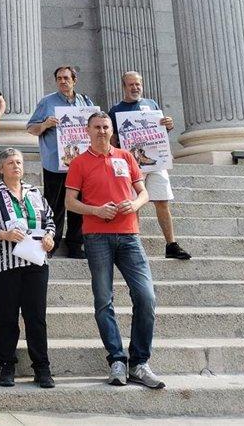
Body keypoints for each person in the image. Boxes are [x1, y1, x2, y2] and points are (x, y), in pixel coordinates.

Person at [64, 111, 165, 389]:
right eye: (96, 127)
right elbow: (70, 202)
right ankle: (117, 359)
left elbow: (143, 192)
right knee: (103, 300)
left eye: (106, 127)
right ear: (88, 131)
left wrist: (135, 204)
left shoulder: (126, 156)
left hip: (130, 235)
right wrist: (96, 210)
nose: (102, 131)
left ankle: (140, 362)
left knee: (146, 297)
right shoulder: (79, 163)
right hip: (96, 237)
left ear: (112, 130)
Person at [0, 148, 56, 388]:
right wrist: (4, 234)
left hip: (35, 264)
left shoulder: (34, 192)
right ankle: (7, 366)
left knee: (36, 318)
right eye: (10, 163)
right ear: (1, 168)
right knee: (7, 319)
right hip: (4, 267)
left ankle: (42, 368)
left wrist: (50, 236)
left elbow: (49, 219)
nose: (16, 166)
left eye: (19, 162)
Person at [108, 71, 191, 261]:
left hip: (156, 162)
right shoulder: (116, 110)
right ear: (124, 87)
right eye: (131, 85)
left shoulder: (151, 104)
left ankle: (171, 244)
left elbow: (160, 130)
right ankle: (134, 245)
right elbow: (112, 140)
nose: (135, 88)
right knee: (134, 205)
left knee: (162, 202)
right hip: (132, 165)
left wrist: (168, 125)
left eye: (138, 84)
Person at [26, 66, 95, 258]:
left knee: (78, 206)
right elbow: (31, 128)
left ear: (74, 80)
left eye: (66, 78)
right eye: (59, 78)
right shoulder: (47, 102)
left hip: (81, 164)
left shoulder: (85, 102)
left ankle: (75, 245)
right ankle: (52, 244)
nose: (62, 81)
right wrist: (45, 124)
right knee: (54, 205)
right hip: (55, 163)